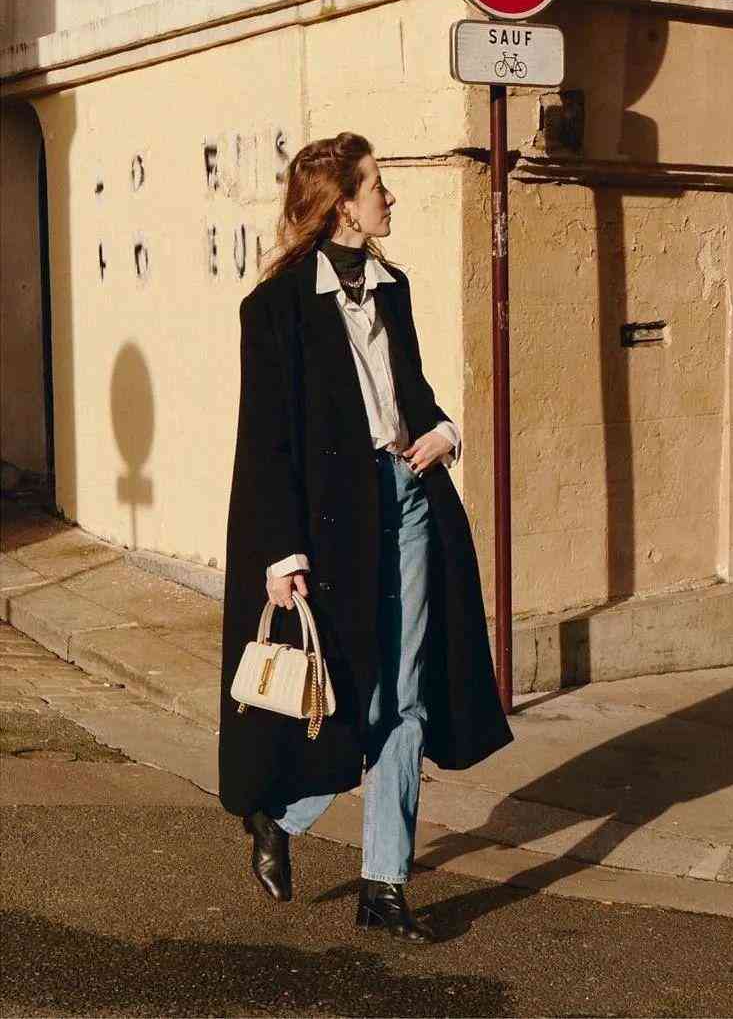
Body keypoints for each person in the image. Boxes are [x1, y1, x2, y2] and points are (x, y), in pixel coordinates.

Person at [218, 131, 513, 944]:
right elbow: (266, 438)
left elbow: (407, 390)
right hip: (332, 522)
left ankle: (383, 887)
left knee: (405, 695)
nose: (389, 197)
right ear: (341, 204)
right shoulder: (275, 308)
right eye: (376, 185)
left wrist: (442, 431)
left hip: (409, 499)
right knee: (353, 693)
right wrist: (281, 552)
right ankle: (281, 815)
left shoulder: (393, 287)